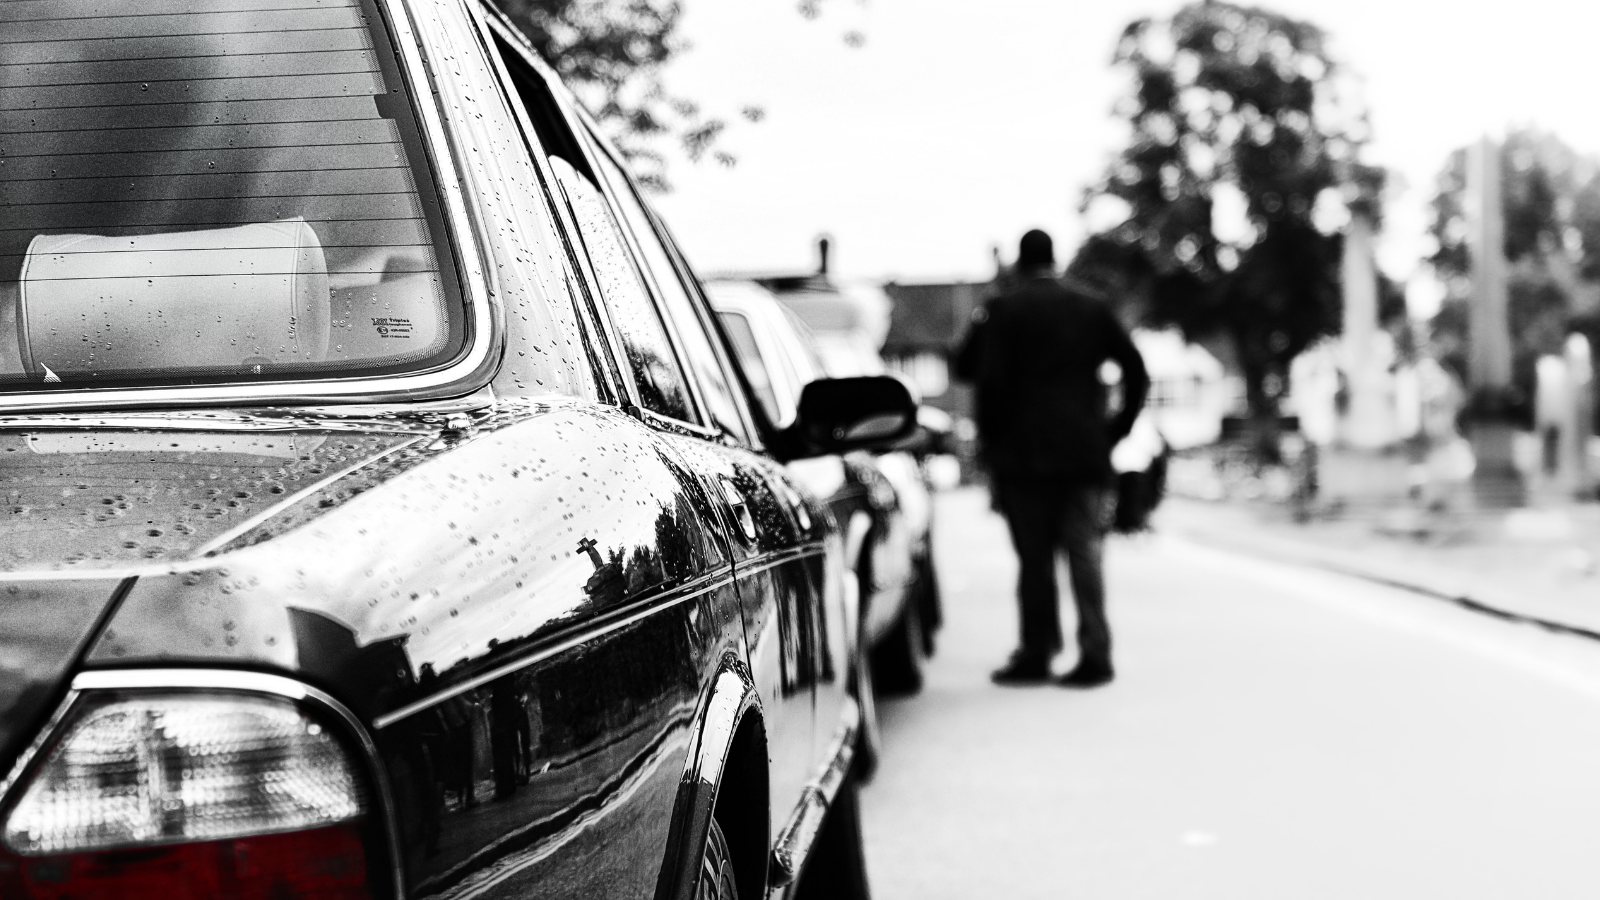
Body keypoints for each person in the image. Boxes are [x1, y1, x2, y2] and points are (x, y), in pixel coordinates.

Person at [955, 229, 1149, 688]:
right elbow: (1136, 368)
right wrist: (1115, 430)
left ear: (1020, 264)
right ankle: (1096, 654)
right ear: (1055, 260)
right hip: (1085, 451)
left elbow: (970, 370)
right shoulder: (1091, 306)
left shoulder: (1004, 309)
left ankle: (1038, 653)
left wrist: (987, 310)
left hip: (1023, 456)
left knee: (1034, 559)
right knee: (1085, 553)